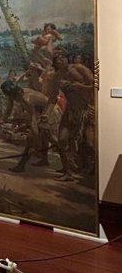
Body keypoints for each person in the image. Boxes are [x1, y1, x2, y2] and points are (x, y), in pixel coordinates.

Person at [44, 49, 94, 181]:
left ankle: (92, 169)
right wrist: (46, 115)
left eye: (63, 57)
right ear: (55, 63)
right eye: (58, 59)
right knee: (62, 139)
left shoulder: (78, 68)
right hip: (71, 111)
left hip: (86, 109)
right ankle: (68, 172)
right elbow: (52, 98)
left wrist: (81, 87)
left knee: (90, 143)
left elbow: (96, 85)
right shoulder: (56, 77)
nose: (61, 60)